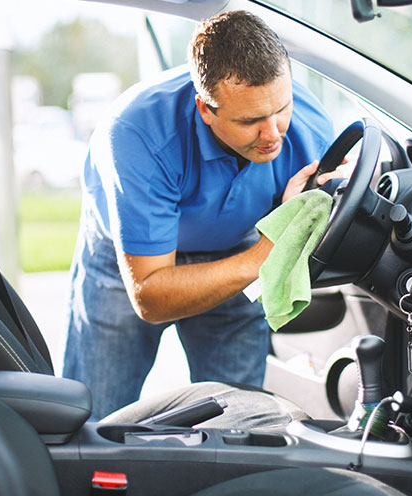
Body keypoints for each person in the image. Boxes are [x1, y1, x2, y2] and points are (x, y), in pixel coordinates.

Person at [63, 10, 340, 419]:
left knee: (238, 421)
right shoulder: (136, 135)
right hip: (130, 260)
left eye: (280, 108)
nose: (273, 134)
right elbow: (151, 296)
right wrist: (263, 257)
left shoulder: (310, 129)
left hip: (239, 244)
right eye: (249, 121)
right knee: (94, 419)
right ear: (205, 110)